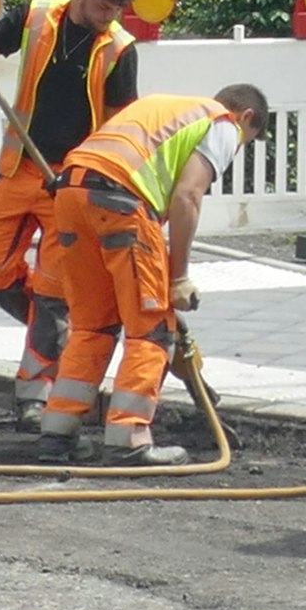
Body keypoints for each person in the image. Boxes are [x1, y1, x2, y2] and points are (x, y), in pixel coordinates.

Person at [0, 0, 140, 432]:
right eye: (104, 5)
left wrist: (89, 177)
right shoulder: (31, 18)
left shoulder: (119, 49)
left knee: (52, 293)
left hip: (68, 185)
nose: (110, 16)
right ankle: (69, 336)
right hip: (19, 169)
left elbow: (121, 126)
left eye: (118, 9)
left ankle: (34, 394)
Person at [37, 84, 270, 465]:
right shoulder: (223, 123)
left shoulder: (165, 105)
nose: (238, 146)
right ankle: (128, 439)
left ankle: (57, 434)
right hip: (119, 200)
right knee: (151, 328)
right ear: (246, 118)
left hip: (71, 194)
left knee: (93, 325)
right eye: (248, 140)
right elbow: (187, 196)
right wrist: (178, 278)